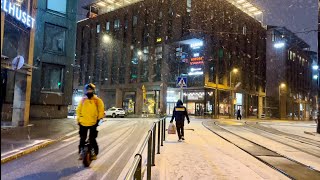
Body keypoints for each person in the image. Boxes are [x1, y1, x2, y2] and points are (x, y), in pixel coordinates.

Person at [76, 83, 105, 160]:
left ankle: (94, 152)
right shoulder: (82, 100)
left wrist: (99, 120)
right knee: (82, 139)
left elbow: (101, 111)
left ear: (93, 90)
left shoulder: (97, 100)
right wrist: (78, 119)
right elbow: (78, 110)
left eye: (90, 90)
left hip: (93, 123)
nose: (89, 91)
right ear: (85, 91)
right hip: (83, 122)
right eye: (87, 90)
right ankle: (81, 152)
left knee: (92, 139)